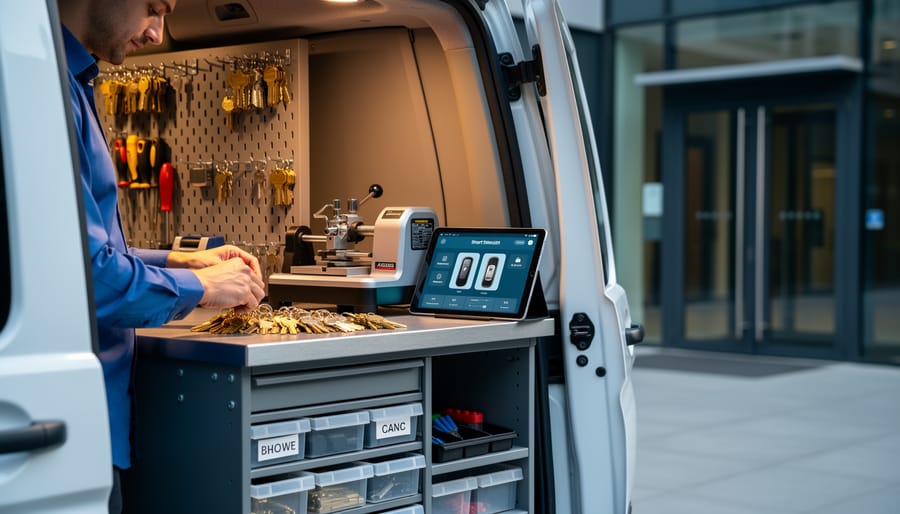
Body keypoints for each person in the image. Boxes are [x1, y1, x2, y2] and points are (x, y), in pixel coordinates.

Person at [57, 1, 266, 512]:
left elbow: (74, 248)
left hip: (88, 424)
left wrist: (179, 262)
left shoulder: (74, 82)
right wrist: (205, 289)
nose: (157, 34)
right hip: (66, 430)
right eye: (155, 8)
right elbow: (84, 278)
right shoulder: (44, 90)